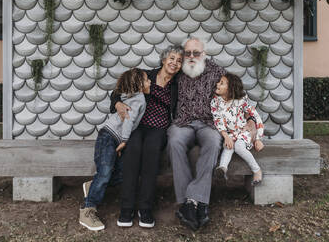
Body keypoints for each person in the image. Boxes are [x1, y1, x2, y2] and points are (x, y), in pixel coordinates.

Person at [167, 37, 257, 231]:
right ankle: (189, 203)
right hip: (183, 123)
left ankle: (194, 199)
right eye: (188, 53)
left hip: (210, 124)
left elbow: (237, 92)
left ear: (204, 54)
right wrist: (118, 100)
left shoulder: (217, 72)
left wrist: (251, 119)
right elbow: (155, 79)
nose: (191, 57)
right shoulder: (177, 72)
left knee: (214, 142)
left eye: (196, 53)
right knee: (174, 141)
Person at [111, 45, 184, 228]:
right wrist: (118, 103)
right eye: (172, 58)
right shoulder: (145, 75)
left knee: (151, 154)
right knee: (132, 153)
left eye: (179, 61)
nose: (175, 63)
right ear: (163, 59)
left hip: (159, 129)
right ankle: (126, 208)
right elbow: (118, 91)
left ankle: (145, 209)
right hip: (136, 126)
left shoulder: (178, 84)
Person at [79, 68, 151, 231]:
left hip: (112, 137)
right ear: (139, 85)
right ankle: (88, 209)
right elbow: (128, 120)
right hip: (109, 137)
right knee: (105, 172)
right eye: (147, 80)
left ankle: (93, 186)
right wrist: (124, 140)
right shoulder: (139, 99)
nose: (150, 82)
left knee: (121, 173)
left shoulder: (133, 96)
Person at [211, 73, 264, 185]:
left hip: (243, 132)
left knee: (239, 147)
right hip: (230, 133)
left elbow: (255, 116)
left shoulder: (241, 101)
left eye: (221, 83)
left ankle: (257, 170)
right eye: (218, 82)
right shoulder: (215, 102)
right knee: (228, 146)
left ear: (230, 89)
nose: (217, 84)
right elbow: (218, 120)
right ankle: (223, 169)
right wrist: (226, 137)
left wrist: (257, 138)